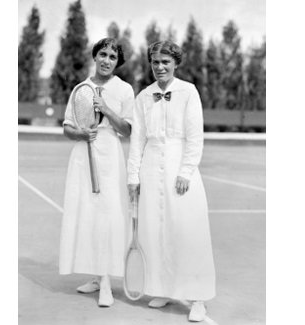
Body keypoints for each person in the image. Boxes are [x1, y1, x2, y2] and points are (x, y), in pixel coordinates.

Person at [127, 41, 216, 322]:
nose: (160, 67)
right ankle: (163, 289)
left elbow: (195, 136)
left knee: (188, 232)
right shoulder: (143, 97)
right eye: (155, 62)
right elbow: (137, 139)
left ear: (176, 63)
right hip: (151, 169)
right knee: (157, 232)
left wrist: (186, 171)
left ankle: (197, 298)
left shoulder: (188, 92)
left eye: (165, 62)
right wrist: (133, 176)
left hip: (180, 168)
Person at [59, 38, 134, 307]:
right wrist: (81, 133)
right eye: (102, 54)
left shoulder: (124, 89)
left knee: (108, 216)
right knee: (88, 215)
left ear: (118, 62)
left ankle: (106, 284)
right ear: (95, 56)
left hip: (110, 158)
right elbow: (67, 126)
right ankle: (96, 275)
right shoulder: (81, 88)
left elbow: (128, 130)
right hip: (83, 155)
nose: (106, 60)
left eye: (112, 57)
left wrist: (107, 110)